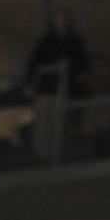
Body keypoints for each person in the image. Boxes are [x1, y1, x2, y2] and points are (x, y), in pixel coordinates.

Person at [24, 9, 90, 161]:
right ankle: (42, 154)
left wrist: (77, 74)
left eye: (63, 19)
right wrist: (29, 86)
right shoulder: (45, 42)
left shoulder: (75, 41)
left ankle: (57, 154)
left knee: (61, 122)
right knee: (44, 121)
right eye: (58, 19)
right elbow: (33, 64)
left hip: (66, 89)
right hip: (47, 89)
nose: (60, 22)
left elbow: (83, 65)